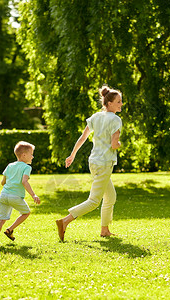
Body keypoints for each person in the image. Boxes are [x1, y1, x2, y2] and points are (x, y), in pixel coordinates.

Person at [55, 85, 123, 242]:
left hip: (94, 162)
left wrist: (72, 155)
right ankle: (64, 221)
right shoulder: (116, 120)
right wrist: (120, 144)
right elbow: (114, 144)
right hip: (104, 163)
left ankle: (105, 230)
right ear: (110, 103)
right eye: (118, 102)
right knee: (94, 201)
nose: (121, 105)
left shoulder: (96, 117)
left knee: (111, 196)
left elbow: (83, 137)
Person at [0, 141, 41, 247]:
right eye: (31, 154)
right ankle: (10, 229)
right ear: (24, 155)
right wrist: (33, 195)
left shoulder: (10, 166)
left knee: (1, 220)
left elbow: (2, 182)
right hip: (15, 197)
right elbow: (24, 182)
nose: (33, 156)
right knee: (26, 213)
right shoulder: (27, 167)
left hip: (3, 195)